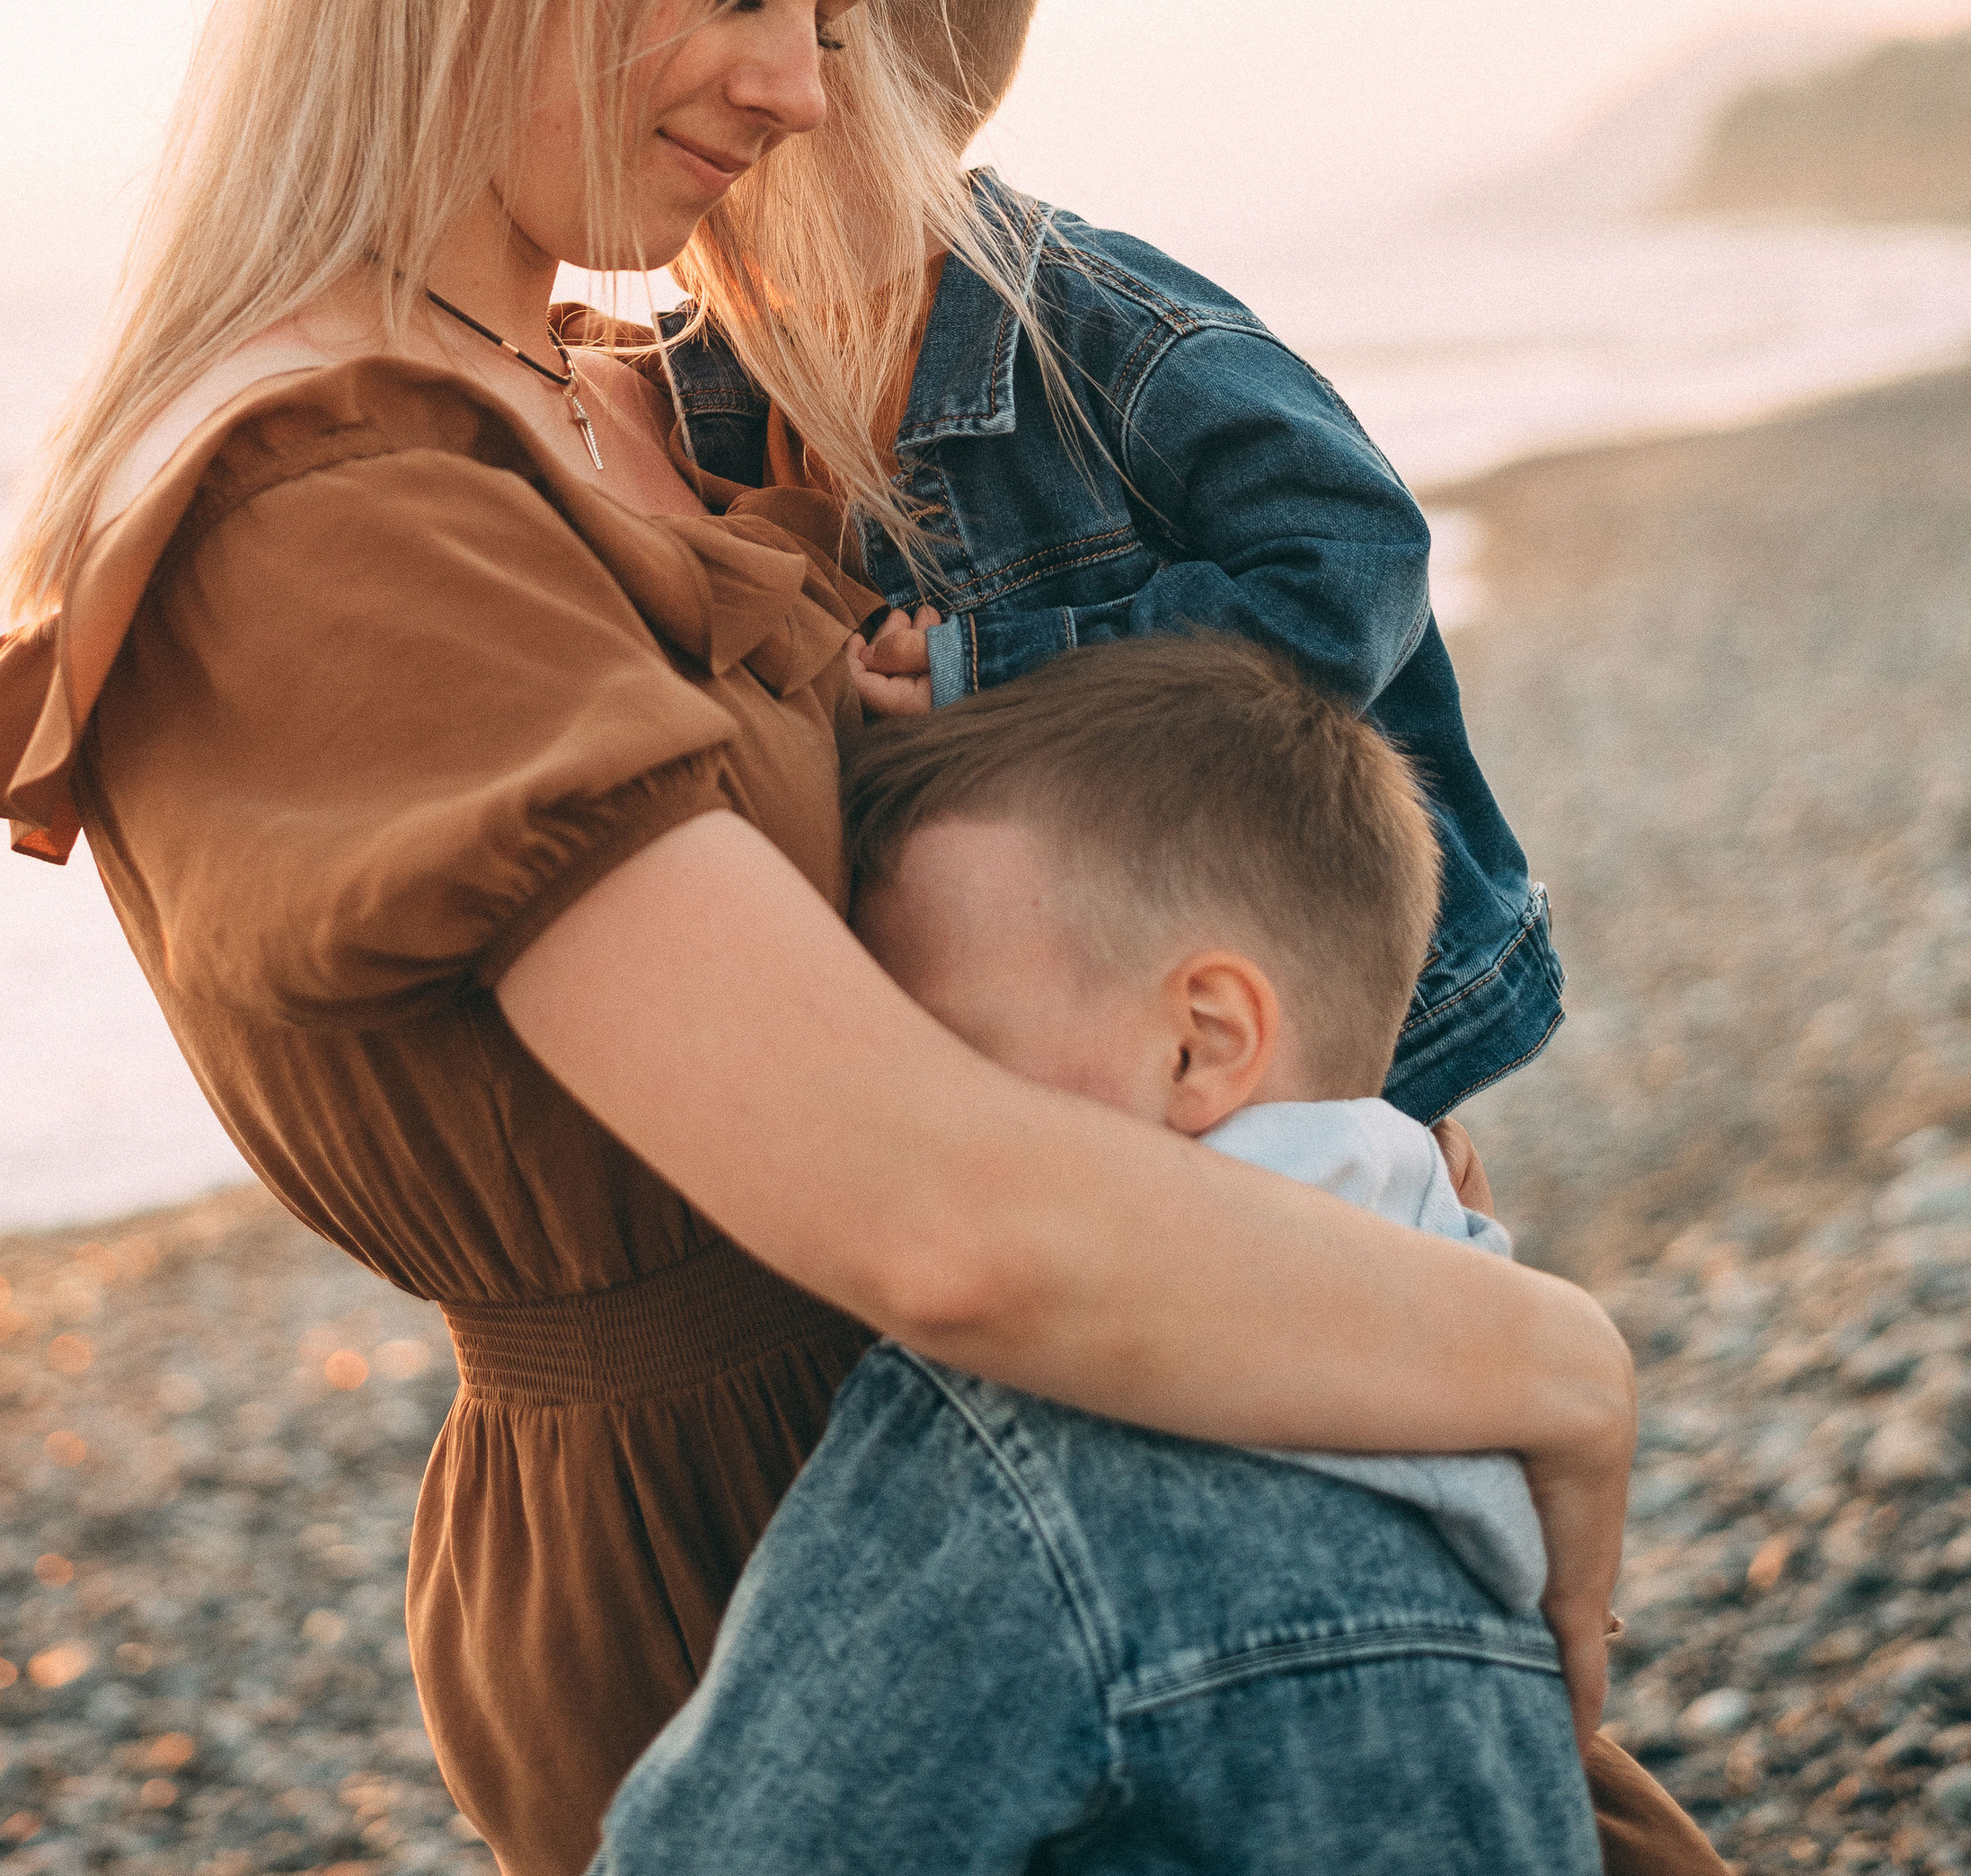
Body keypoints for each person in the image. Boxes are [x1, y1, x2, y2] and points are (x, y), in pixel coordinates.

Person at [0, 0, 1632, 1876]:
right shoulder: (336, 496)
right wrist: (1543, 1360)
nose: (808, 90)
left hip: (1004, 1437)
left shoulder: (623, 389)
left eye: (834, 8)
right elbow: (937, 1217)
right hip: (753, 1544)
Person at [593, 633, 1603, 1875]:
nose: (903, 1113)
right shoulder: (1470, 1354)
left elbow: (722, 1851)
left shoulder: (1022, 1430)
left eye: (947, 1056)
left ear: (1203, 1041)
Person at [667, 0, 1560, 1120]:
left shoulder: (1099, 335)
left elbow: (1355, 559)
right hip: (1047, 1043)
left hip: (1281, 1035)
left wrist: (1003, 672)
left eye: (745, 8)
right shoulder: (712, 373)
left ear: (845, 63)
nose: (712, 86)